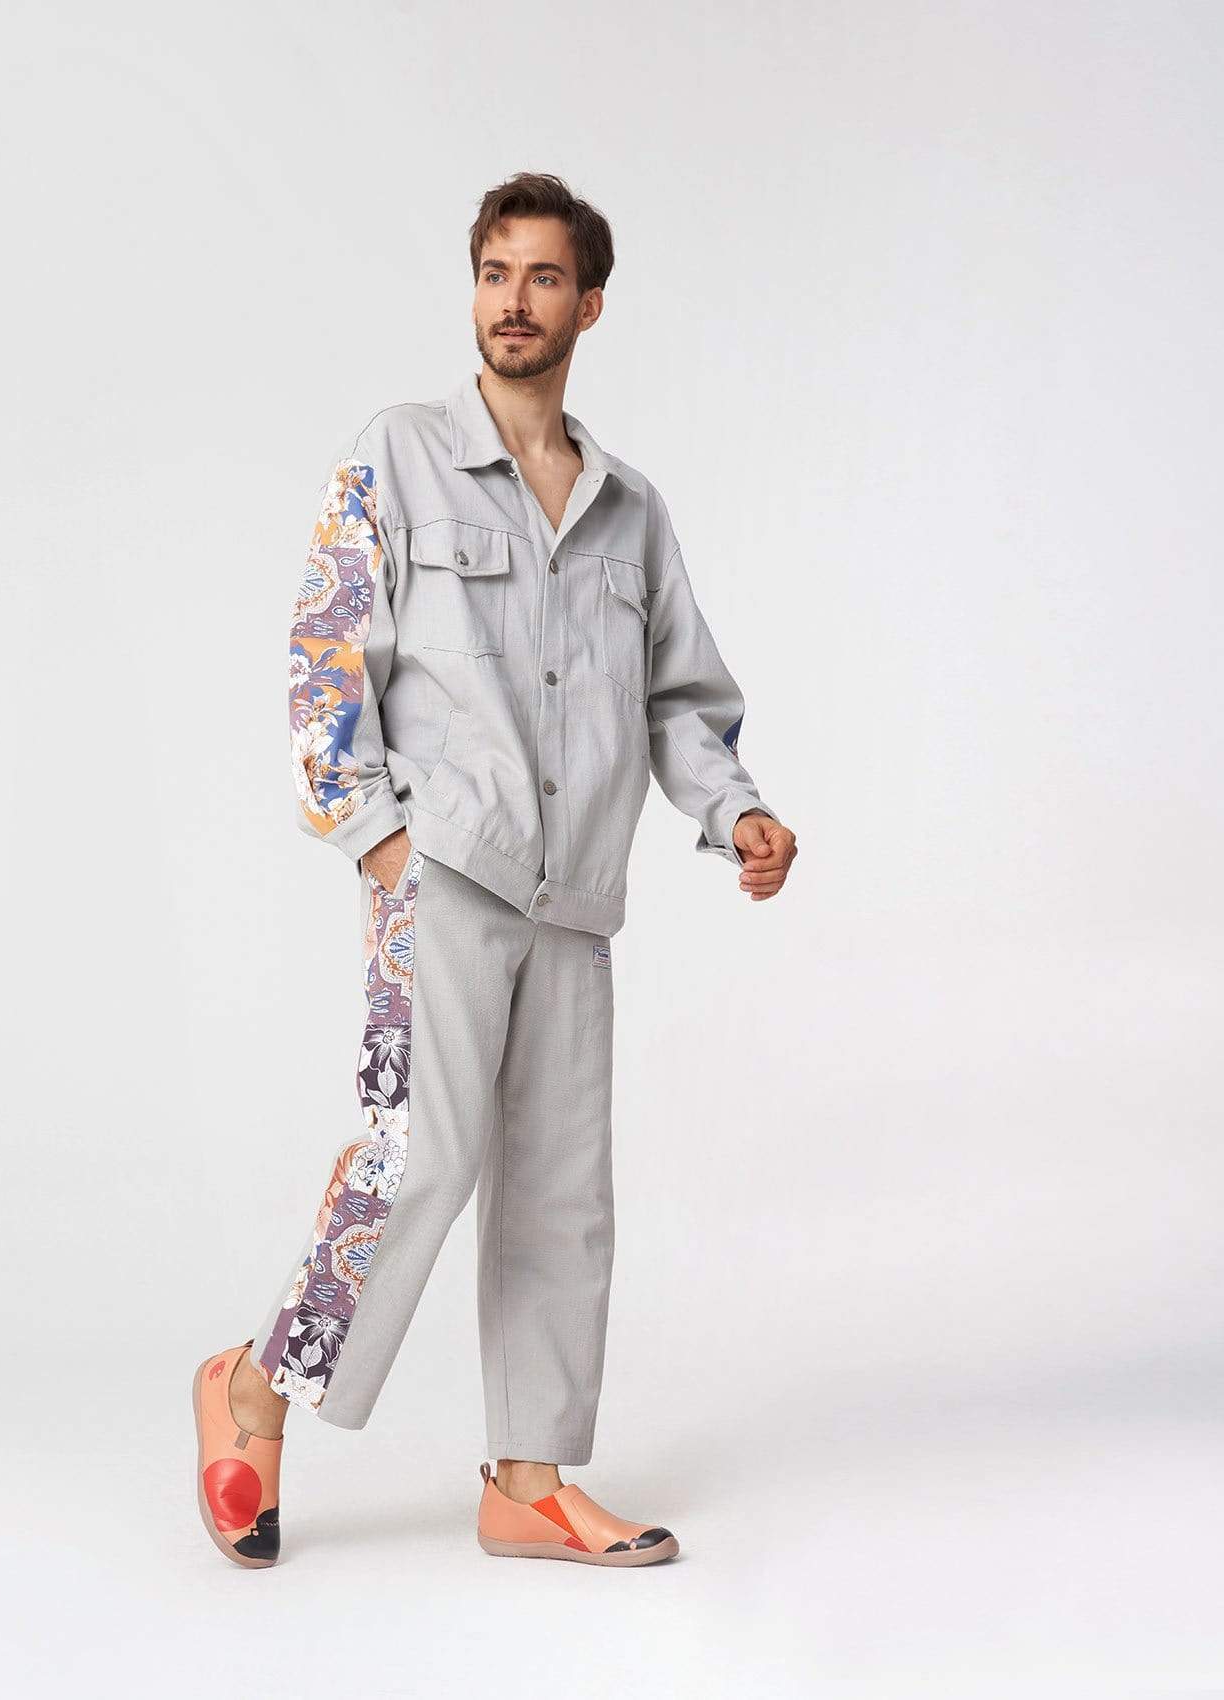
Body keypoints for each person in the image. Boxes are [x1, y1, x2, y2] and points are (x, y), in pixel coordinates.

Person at [192, 171, 798, 1569]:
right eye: (492, 272)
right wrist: (376, 837)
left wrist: (738, 811)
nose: (512, 302)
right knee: (420, 1157)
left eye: (541, 278)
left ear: (590, 305)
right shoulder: (399, 453)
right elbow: (325, 648)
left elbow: (678, 700)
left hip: (575, 897)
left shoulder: (631, 513)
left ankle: (528, 1480)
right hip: (447, 876)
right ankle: (254, 1386)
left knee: (560, 1194)